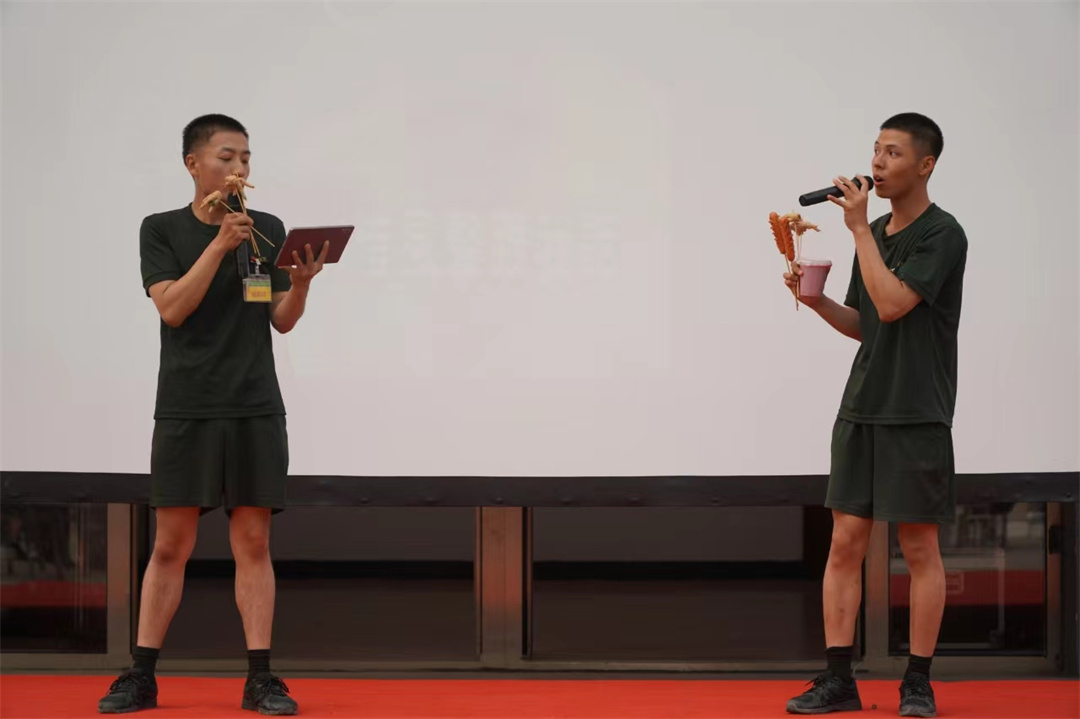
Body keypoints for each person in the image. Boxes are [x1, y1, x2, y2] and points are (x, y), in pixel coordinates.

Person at [99, 114, 328, 715]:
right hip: (188, 405)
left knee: (253, 540)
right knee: (170, 543)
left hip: (255, 404)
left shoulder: (266, 229)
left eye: (246, 159)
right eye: (227, 157)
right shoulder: (161, 229)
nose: (239, 169)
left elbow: (280, 318)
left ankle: (260, 678)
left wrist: (302, 284)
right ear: (193, 164)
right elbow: (172, 308)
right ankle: (141, 675)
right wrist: (220, 245)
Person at [784, 113, 967, 718]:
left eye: (892, 152)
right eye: (875, 151)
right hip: (862, 405)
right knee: (844, 544)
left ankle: (917, 681)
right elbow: (866, 324)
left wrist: (860, 229)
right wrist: (815, 301)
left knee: (919, 548)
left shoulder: (942, 234)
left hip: (916, 411)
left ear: (926, 164)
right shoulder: (876, 230)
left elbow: (892, 306)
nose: (877, 163)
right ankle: (839, 680)